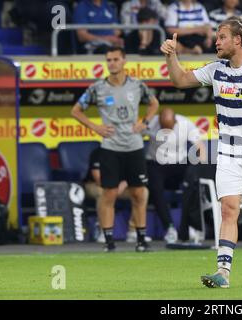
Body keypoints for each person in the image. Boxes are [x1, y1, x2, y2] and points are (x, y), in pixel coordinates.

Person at [160, 17, 242, 288]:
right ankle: (223, 272)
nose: (216, 41)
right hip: (229, 153)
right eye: (216, 37)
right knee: (229, 208)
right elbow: (180, 80)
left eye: (221, 37)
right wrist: (172, 57)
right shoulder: (216, 69)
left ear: (237, 40)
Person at [71, 46, 159, 252]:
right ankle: (109, 240)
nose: (112, 63)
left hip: (134, 146)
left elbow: (154, 103)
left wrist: (144, 122)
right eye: (109, 60)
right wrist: (96, 127)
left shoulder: (137, 86)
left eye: (116, 59)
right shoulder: (97, 88)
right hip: (110, 147)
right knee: (108, 193)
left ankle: (141, 239)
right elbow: (75, 111)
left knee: (139, 193)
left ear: (124, 60)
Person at [144, 107, 207, 243]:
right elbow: (135, 135)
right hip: (156, 163)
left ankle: (191, 227)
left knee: (193, 182)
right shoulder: (150, 122)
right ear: (158, 121)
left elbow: (200, 146)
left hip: (179, 163)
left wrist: (200, 169)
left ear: (175, 122)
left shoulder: (185, 123)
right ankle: (170, 228)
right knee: (155, 187)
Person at [83, 147, 149, 243]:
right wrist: (113, 187)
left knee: (143, 192)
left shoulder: (130, 152)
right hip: (97, 185)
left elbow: (134, 175)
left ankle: (134, 231)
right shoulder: (99, 152)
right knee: (103, 193)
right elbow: (98, 178)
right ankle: (104, 231)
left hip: (122, 186)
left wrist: (122, 185)